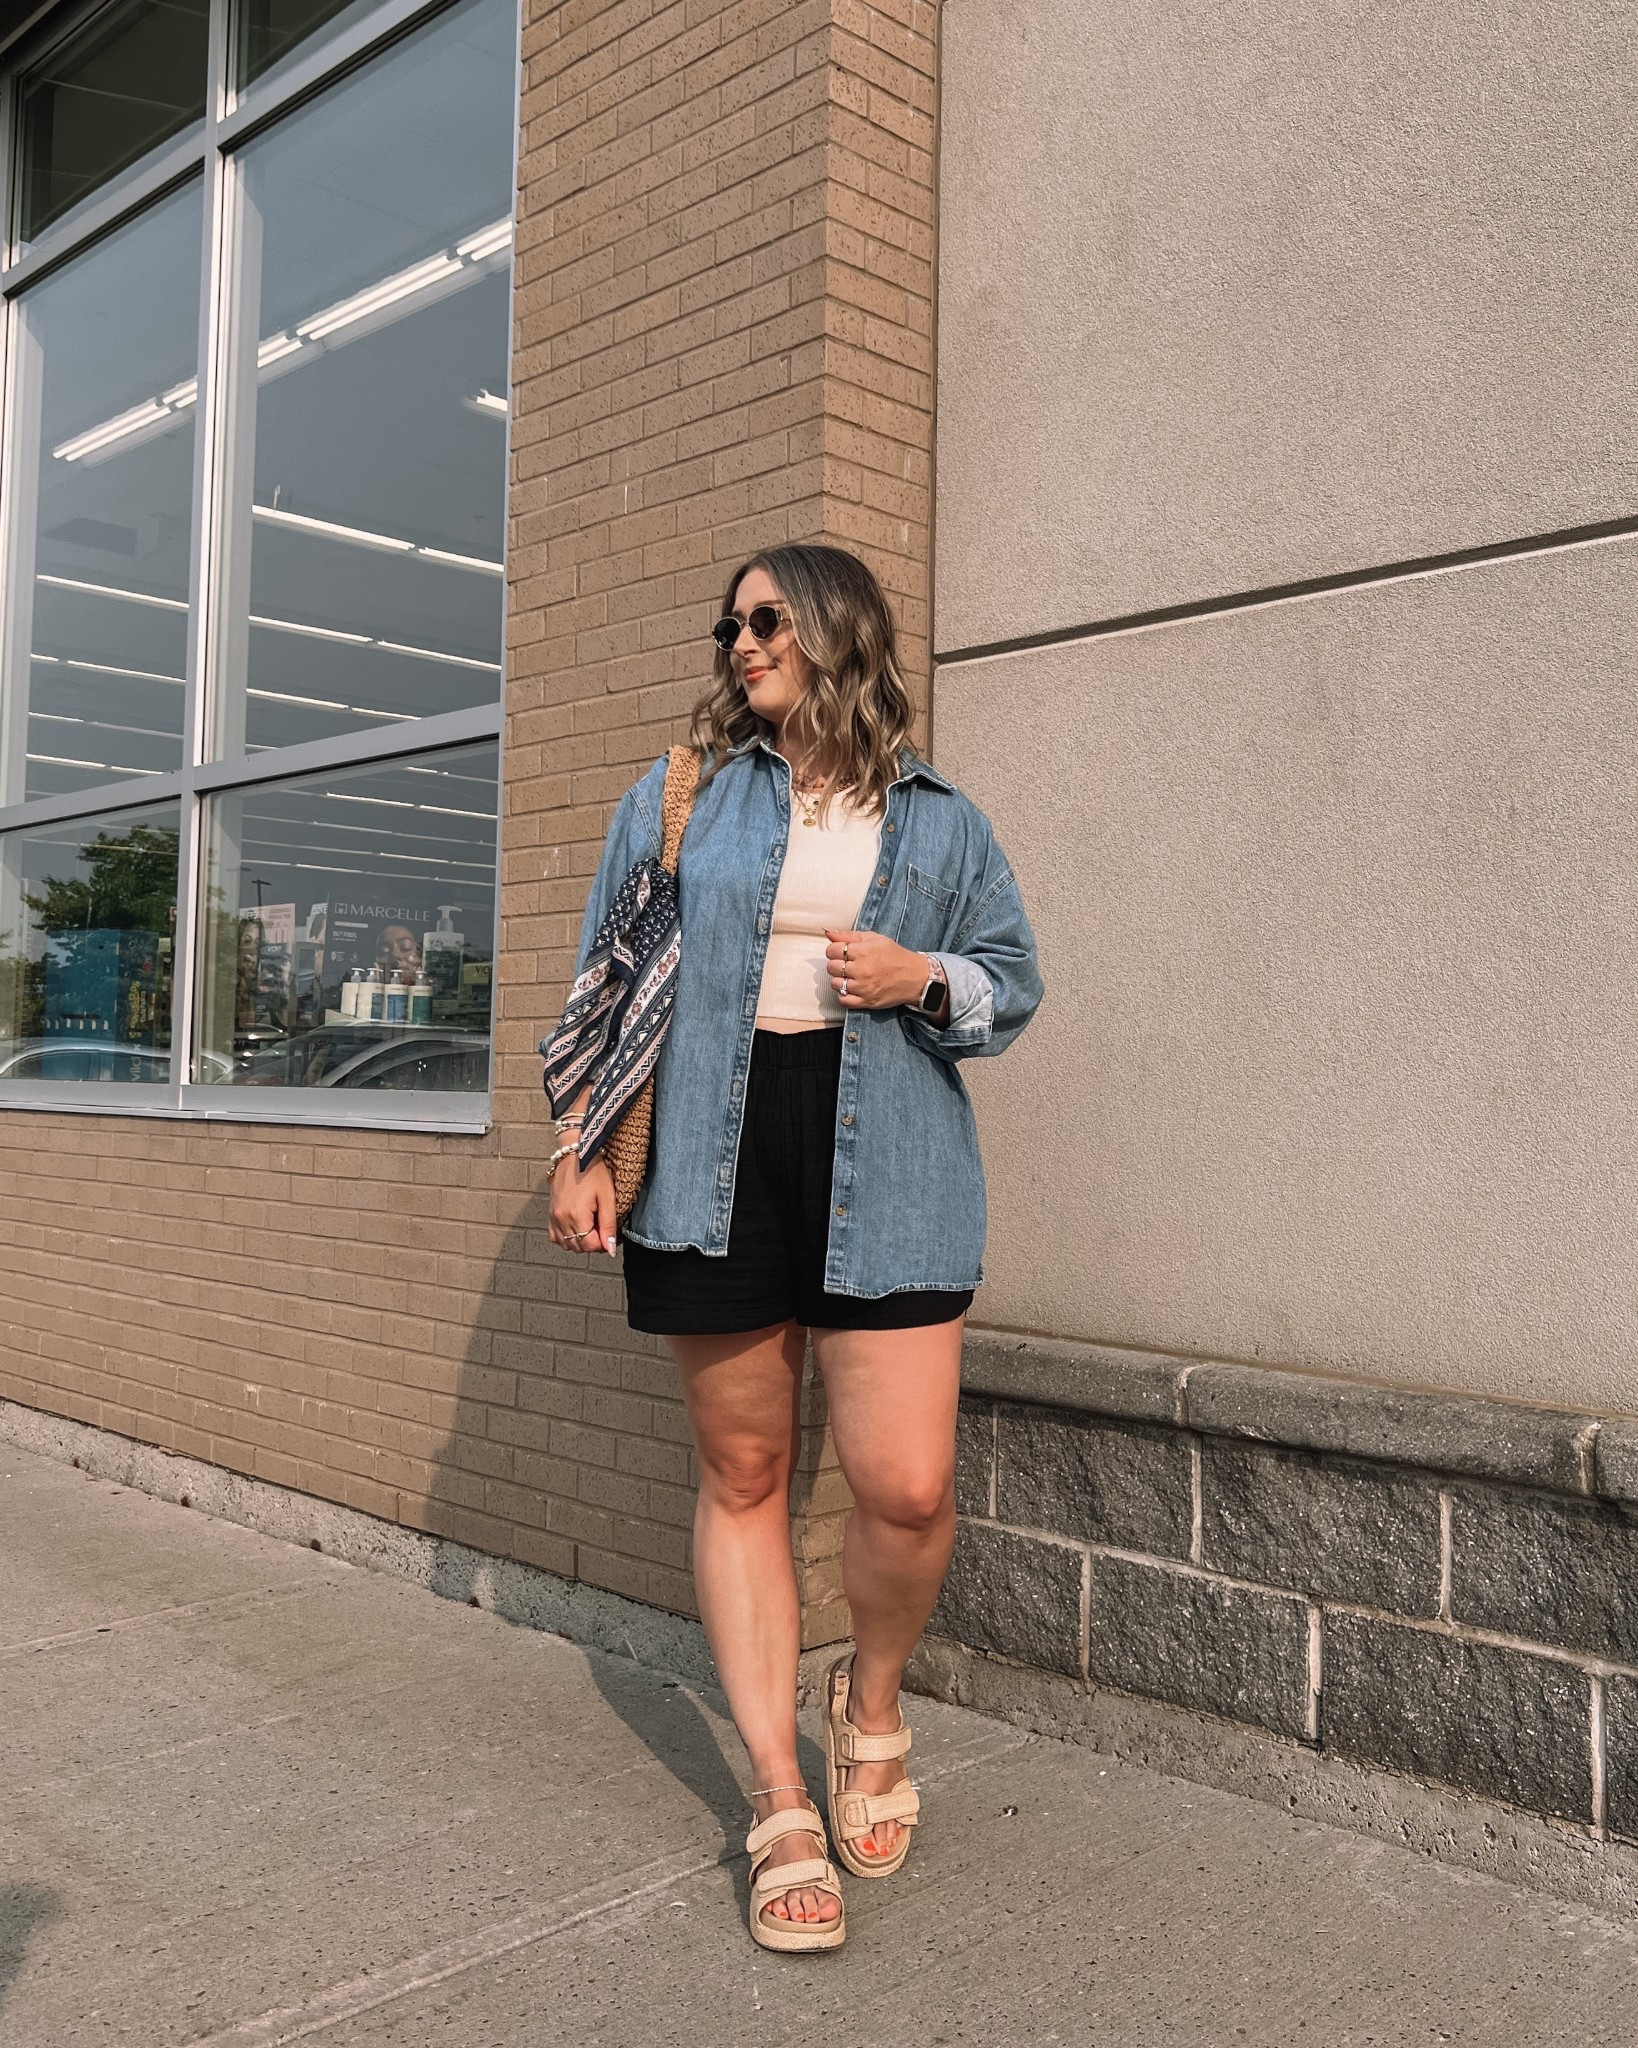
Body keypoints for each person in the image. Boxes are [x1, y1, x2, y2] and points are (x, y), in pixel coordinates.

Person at [546, 544, 1043, 1953]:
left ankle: (868, 1703)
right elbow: (608, 977)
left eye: (765, 618)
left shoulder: (943, 822)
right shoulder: (679, 795)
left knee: (903, 1486)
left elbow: (1012, 980)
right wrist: (579, 1147)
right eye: (730, 624)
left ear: (837, 631)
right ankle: (776, 1798)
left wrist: (919, 976)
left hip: (889, 1160)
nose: (739, 640)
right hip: (713, 1156)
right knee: (747, 1471)